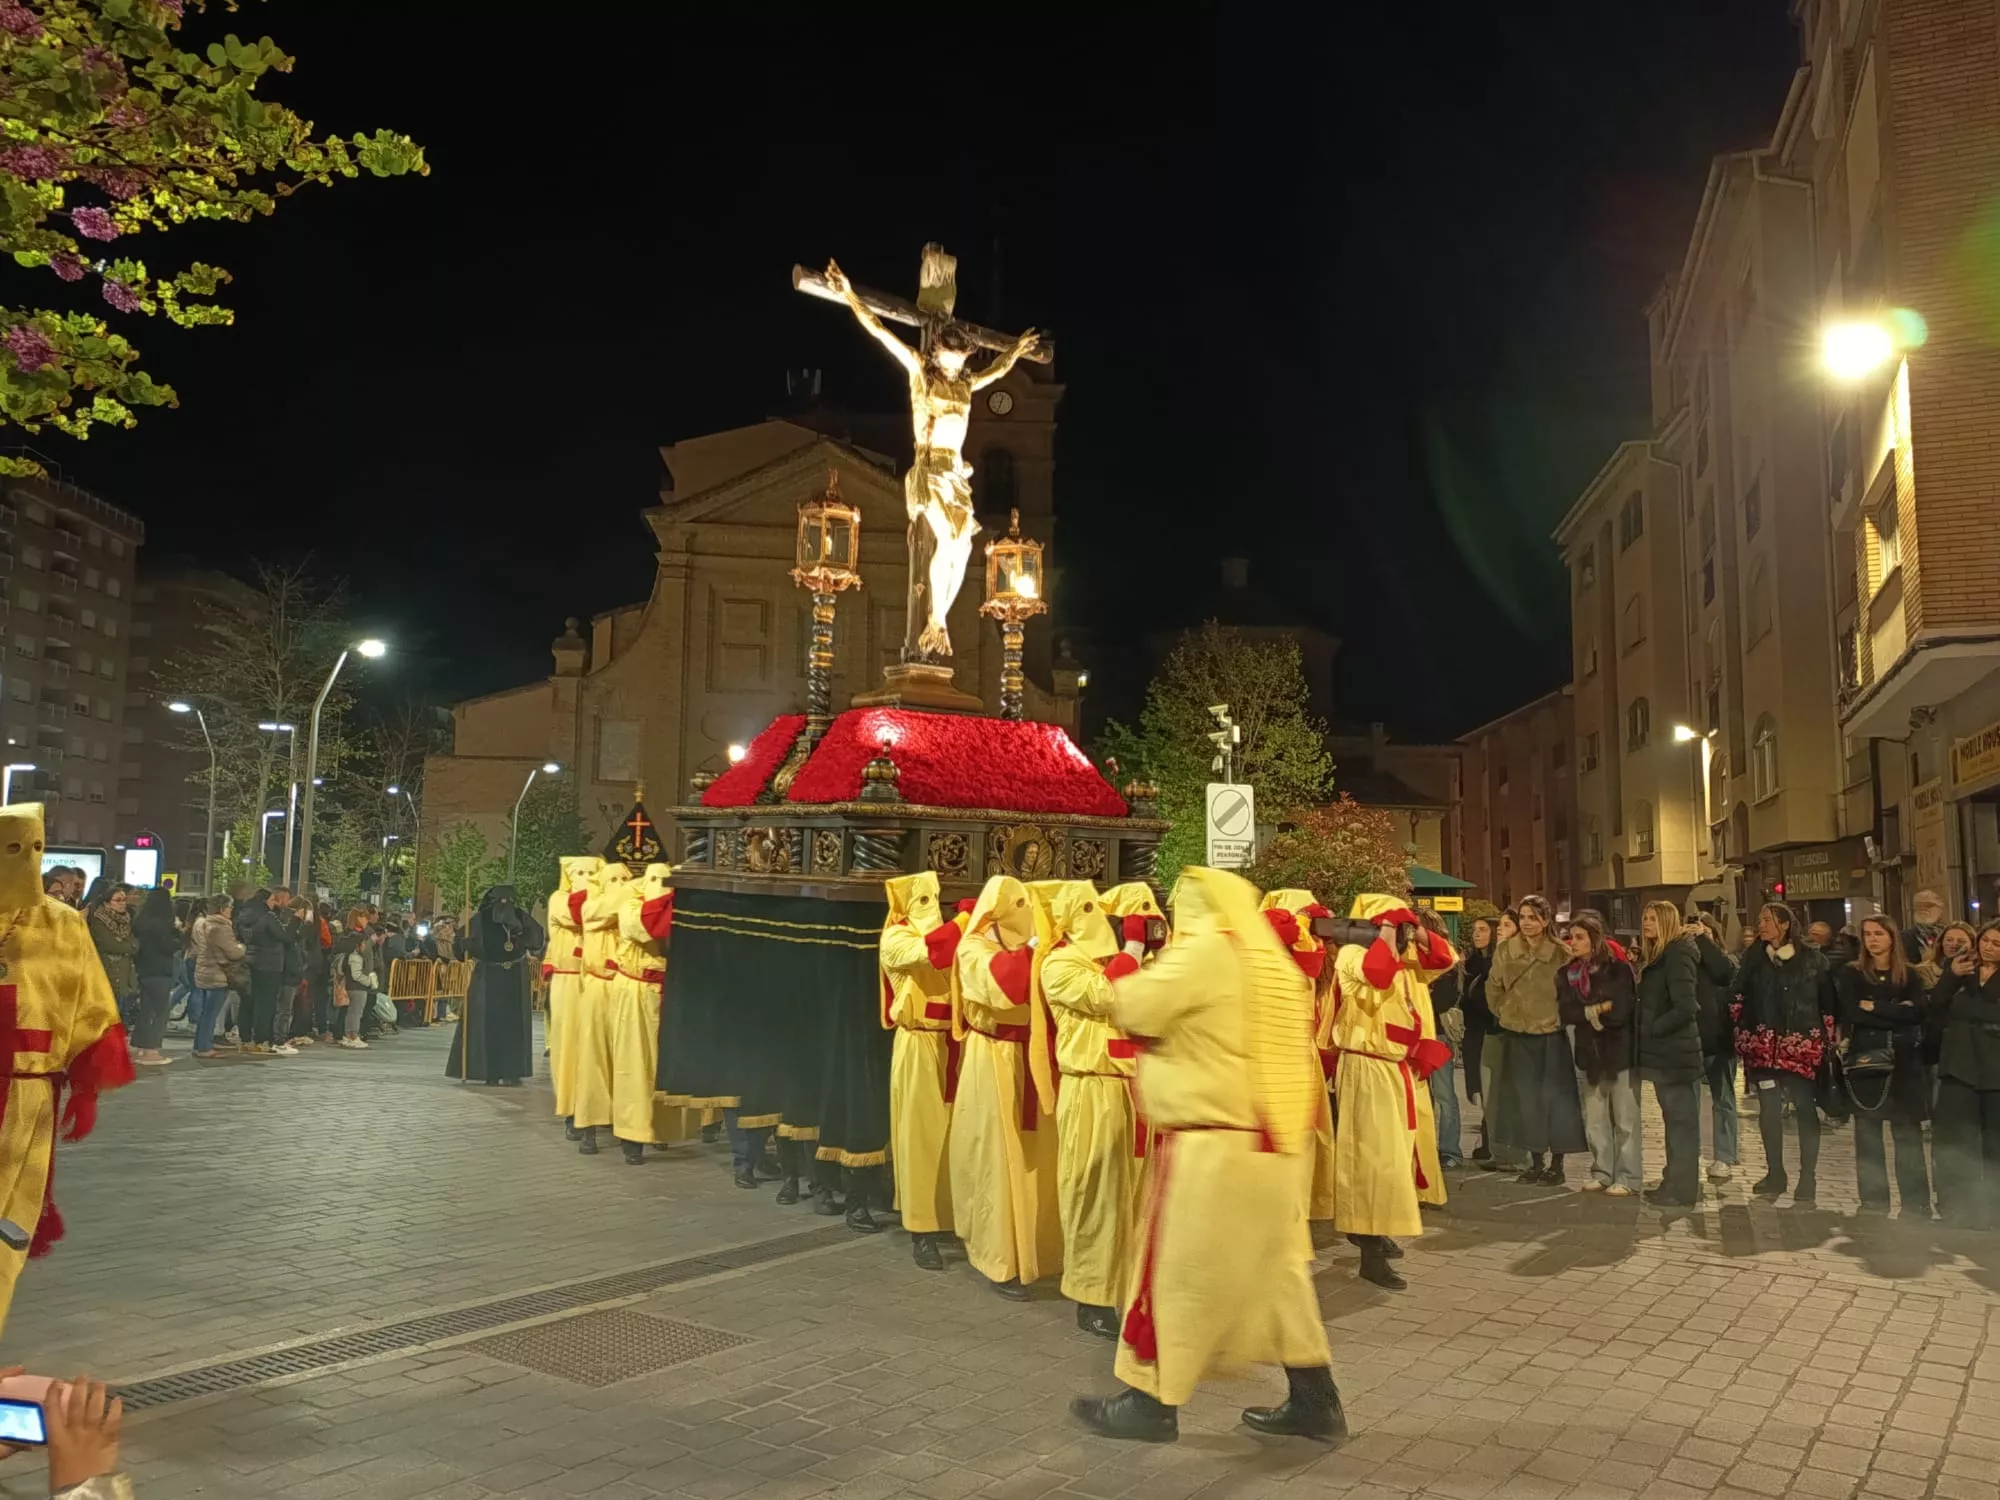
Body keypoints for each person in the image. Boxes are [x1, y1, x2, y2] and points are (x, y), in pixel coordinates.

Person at [1070, 866, 1344, 1445]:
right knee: (1275, 1275)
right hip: (1270, 1145)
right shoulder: (1270, 960)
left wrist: (1136, 951)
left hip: (1212, 1144)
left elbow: (1137, 1007)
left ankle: (1150, 1402)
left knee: (1176, 1272)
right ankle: (1317, 1399)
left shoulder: (1206, 953)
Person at [0, 803, 132, 1336]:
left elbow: (89, 1003)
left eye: (35, 849)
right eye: (13, 849)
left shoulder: (63, 925)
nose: (25, 861)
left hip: (29, 1097)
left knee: (12, 1221)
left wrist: (87, 1086)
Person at [1329, 894, 1453, 1290]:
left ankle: (1374, 1232)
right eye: (1391, 925)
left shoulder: (1402, 956)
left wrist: (1414, 930)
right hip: (1365, 1066)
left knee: (1394, 1159)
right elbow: (1377, 974)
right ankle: (1368, 1250)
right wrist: (1384, 929)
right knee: (1372, 1160)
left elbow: (1446, 959)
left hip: (1395, 1068)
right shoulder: (1351, 954)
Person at [949, 873, 1062, 1300]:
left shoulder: (1042, 947)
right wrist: (1037, 946)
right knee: (1000, 1158)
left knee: (1042, 1162)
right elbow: (1008, 987)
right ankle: (1001, 1258)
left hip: (1036, 1060)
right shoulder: (973, 947)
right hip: (994, 1061)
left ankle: (1047, 1253)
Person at [1037, 880, 1141, 1341]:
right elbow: (1105, 996)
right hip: (1090, 1088)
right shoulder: (1059, 963)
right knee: (1093, 1191)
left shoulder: (1115, 960)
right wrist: (1135, 944)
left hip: (1135, 1088)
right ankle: (1091, 1294)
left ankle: (1131, 1287)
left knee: (1135, 1197)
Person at [877, 872, 963, 1272]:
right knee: (920, 1138)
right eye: (923, 898)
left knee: (951, 1137)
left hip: (954, 1045)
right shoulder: (896, 938)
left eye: (936, 897)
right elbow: (932, 954)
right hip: (919, 1043)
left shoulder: (949, 933)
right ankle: (920, 1229)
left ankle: (947, 1218)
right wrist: (964, 923)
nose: (932, 904)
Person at [1733, 900, 1836, 1206]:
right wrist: (1740, 1026)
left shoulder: (1812, 959)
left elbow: (1827, 1001)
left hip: (1801, 1045)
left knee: (1805, 1108)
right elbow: (1737, 994)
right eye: (1760, 919)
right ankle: (1775, 1173)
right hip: (1763, 1047)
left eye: (1767, 919)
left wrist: (1827, 1037)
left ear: (1785, 924)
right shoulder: (1753, 958)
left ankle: (1808, 1177)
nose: (1760, 925)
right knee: (1768, 1111)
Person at [1837, 914, 1932, 1218]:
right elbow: (1853, 1013)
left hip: (1904, 1062)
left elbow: (1917, 1013)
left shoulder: (1910, 976)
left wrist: (1875, 1006)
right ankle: (1874, 1202)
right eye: (1867, 934)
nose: (1873, 939)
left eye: (1879, 933)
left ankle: (1916, 1204)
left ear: (1892, 937)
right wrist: (1895, 1010)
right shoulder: (1853, 975)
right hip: (1867, 1060)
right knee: (1867, 1136)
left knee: (1907, 1136)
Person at [1487, 894, 1585, 1185]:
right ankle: (1535, 1160)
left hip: (1549, 1037)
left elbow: (1574, 994)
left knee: (1554, 1101)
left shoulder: (1561, 954)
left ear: (1545, 920)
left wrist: (1558, 1016)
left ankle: (1557, 1164)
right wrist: (1505, 1012)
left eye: (1533, 917)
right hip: (1517, 1035)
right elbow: (1494, 987)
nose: (1527, 923)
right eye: (1523, 917)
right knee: (1525, 1101)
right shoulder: (1505, 950)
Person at [1558, 913, 1640, 1196]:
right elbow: (1566, 1011)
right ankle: (1602, 1171)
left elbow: (1622, 1008)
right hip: (1588, 1052)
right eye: (1571, 937)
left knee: (1625, 1117)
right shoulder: (1566, 973)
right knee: (1595, 1117)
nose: (1574, 942)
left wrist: (1598, 1012)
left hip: (1618, 1051)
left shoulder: (1617, 969)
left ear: (1595, 939)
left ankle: (1627, 1176)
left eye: (1580, 937)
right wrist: (1594, 1010)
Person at [1927, 921, 2000, 1228]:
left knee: (1994, 1143)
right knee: (1954, 1139)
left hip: (1995, 1068)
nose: (1989, 947)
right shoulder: (1958, 972)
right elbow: (1935, 1008)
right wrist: (1950, 978)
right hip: (1958, 1064)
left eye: (1997, 943)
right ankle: (1954, 1205)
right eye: (1986, 940)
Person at [1635, 902, 1704, 1206]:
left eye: (1652, 919)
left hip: (1676, 1055)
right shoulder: (1662, 955)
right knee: (1673, 1121)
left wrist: (1652, 1029)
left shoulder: (1677, 955)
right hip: (1666, 1054)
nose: (1646, 924)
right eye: (1645, 918)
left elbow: (1686, 1006)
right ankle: (1672, 1180)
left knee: (1682, 1124)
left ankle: (1684, 1189)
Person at [447, 884, 545, 1088]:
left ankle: (512, 1071)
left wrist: (521, 936)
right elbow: (461, 946)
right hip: (488, 977)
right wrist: (464, 945)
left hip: (515, 978)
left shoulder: (520, 916)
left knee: (513, 1025)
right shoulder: (480, 919)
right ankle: (488, 1070)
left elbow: (537, 939)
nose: (504, 905)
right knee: (487, 1023)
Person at [1686, 913, 1740, 1184]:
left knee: (1724, 1101)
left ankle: (1725, 1156)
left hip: (1720, 1042)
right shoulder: (1686, 963)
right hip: (1691, 1042)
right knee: (1690, 1103)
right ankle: (1689, 1156)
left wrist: (1704, 941)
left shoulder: (1726, 961)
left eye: (1703, 932)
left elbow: (1724, 973)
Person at [1418, 909, 1465, 1170]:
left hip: (1438, 1035)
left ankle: (1450, 1150)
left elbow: (1445, 999)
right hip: (1418, 1036)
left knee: (1445, 1095)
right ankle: (1426, 1149)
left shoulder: (1448, 960)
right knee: (1424, 1096)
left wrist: (1421, 991)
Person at [232, 888, 291, 1056]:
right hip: (269, 964)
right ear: (265, 901)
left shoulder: (243, 915)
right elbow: (286, 937)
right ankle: (261, 1040)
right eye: (272, 900)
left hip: (250, 961)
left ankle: (245, 1039)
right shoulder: (267, 917)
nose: (274, 903)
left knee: (248, 1001)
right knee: (266, 1004)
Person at [127, 886, 178, 1068]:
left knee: (146, 1009)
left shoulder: (140, 921)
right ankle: (151, 1050)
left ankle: (140, 1045)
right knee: (160, 1010)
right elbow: (168, 947)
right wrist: (178, 933)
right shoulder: (163, 924)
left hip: (144, 969)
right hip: (160, 970)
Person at [186, 894, 241, 1059]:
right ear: (222, 908)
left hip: (204, 970)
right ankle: (204, 1047)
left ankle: (200, 1044)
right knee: (211, 1013)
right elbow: (232, 951)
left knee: (206, 1012)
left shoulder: (203, 923)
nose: (231, 911)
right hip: (217, 973)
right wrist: (241, 948)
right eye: (230, 907)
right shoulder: (220, 926)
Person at [1461, 915, 1497, 1164]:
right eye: (1475, 930)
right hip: (1472, 1032)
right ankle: (1488, 1140)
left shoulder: (1496, 963)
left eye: (1483, 930)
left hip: (1491, 1030)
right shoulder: (1470, 963)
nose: (1477, 934)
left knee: (1491, 1086)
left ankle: (1492, 1141)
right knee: (1478, 1087)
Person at [84, 888, 136, 1030]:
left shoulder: (127, 919)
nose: (122, 903)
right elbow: (109, 945)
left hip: (124, 972)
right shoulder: (98, 919)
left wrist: (126, 945)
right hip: (107, 969)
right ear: (107, 903)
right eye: (118, 900)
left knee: (121, 1011)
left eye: (124, 900)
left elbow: (135, 944)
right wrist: (126, 946)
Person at [336, 909, 380, 1050]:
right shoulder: (355, 952)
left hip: (352, 982)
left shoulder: (349, 940)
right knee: (355, 1011)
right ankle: (352, 1035)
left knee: (351, 1011)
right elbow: (356, 974)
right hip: (357, 984)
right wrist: (369, 981)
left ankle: (348, 1034)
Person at [1904, 889, 1947, 966]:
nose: (1923, 909)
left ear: (1940, 909)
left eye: (1928, 905)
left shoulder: (1950, 934)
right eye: (1919, 906)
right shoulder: (1903, 937)